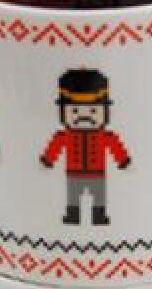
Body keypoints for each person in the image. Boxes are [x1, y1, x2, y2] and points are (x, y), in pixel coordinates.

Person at [40, 68, 131, 226]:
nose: (84, 116)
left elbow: (115, 146)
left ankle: (99, 215)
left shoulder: (105, 136)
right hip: (73, 174)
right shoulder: (64, 136)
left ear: (106, 112)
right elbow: (55, 146)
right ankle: (73, 215)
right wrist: (48, 160)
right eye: (74, 111)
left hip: (98, 173)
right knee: (73, 197)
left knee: (99, 197)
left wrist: (122, 160)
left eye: (93, 110)